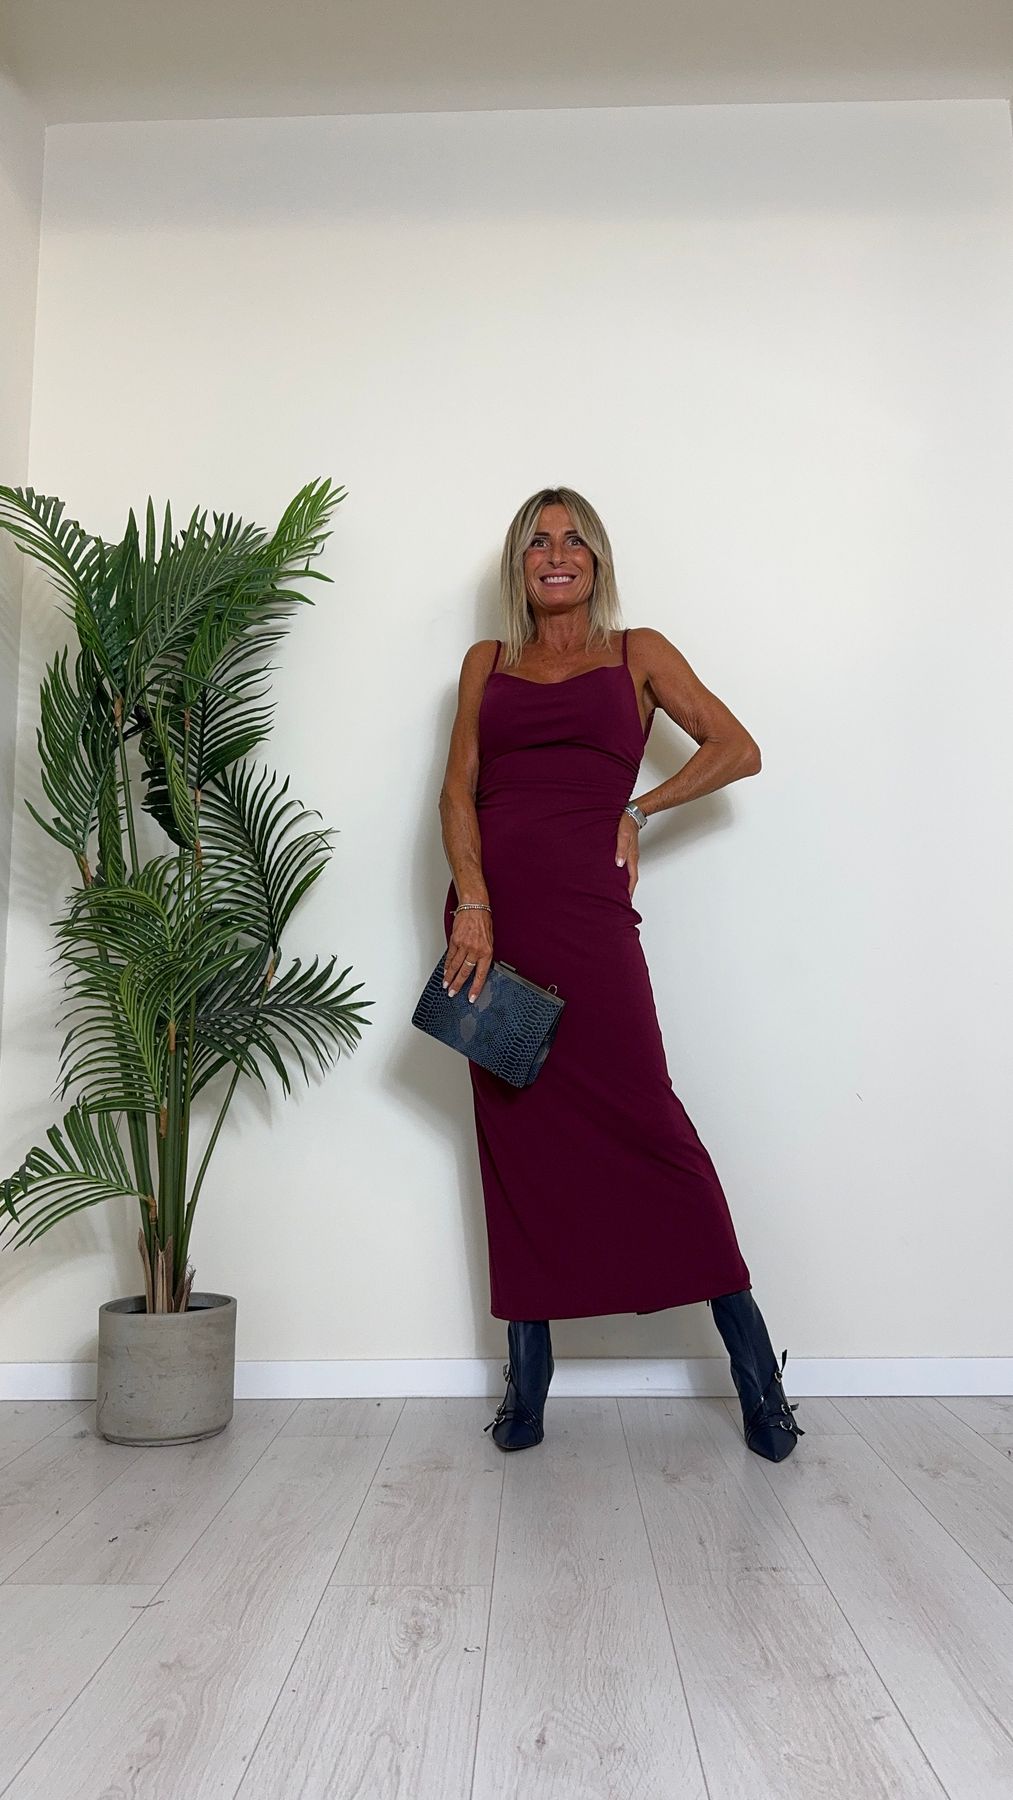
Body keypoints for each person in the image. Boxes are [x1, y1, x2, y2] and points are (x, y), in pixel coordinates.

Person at [437, 487, 803, 1464]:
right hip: (491, 927)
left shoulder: (637, 651)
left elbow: (737, 747)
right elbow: (456, 792)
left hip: (589, 921)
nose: (555, 554)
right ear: (518, 564)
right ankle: (527, 1381)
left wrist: (639, 809)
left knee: (651, 1122)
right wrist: (472, 902)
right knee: (516, 1142)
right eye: (537, 541)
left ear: (595, 560)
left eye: (573, 540)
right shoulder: (486, 662)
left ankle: (757, 1377)